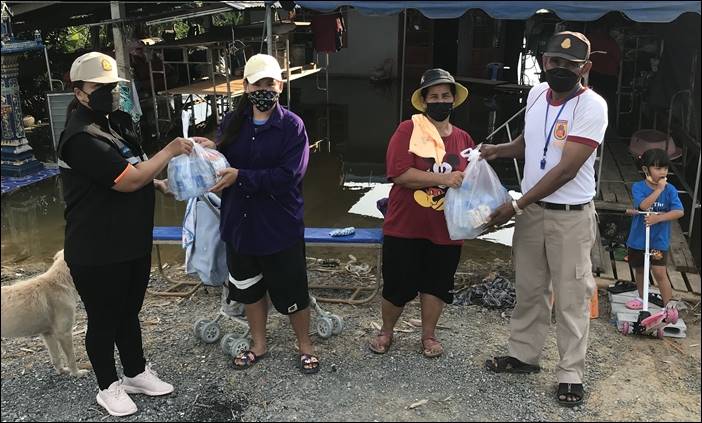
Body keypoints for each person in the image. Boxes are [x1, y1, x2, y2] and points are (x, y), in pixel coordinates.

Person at [58, 52, 194, 417]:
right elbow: (128, 180)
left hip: (131, 241)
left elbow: (137, 167)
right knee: (104, 317)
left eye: (113, 87)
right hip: (96, 248)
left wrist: (161, 183)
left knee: (128, 311)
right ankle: (107, 385)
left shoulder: (115, 123)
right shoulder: (80, 137)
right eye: (100, 88)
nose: (110, 93)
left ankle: (135, 372)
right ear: (79, 92)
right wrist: (170, 150)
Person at [480, 32, 607, 407]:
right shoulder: (537, 94)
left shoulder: (592, 106)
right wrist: (495, 151)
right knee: (530, 289)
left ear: (585, 68)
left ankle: (571, 373)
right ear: (544, 61)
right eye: (554, 62)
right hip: (532, 214)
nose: (561, 70)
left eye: (571, 65)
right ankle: (523, 356)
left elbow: (567, 169)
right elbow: (527, 143)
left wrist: (516, 205)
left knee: (571, 297)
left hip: (570, 216)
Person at [196, 54, 318, 374]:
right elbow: (220, 162)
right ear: (246, 87)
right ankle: (259, 343)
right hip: (241, 225)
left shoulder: (292, 126)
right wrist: (206, 149)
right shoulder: (233, 123)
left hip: (280, 227)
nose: (264, 89)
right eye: (257, 83)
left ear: (280, 85)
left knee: (293, 291)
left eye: (270, 83)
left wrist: (242, 177)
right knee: (249, 289)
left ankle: (305, 345)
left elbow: (289, 175)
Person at [368, 68, 475, 358]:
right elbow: (399, 173)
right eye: (434, 97)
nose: (440, 101)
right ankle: (386, 331)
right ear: (424, 101)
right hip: (406, 225)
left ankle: (428, 336)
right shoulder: (408, 130)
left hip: (446, 230)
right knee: (397, 284)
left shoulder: (464, 140)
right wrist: (443, 179)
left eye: (445, 96)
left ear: (454, 100)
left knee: (437, 285)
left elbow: (470, 181)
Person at [624, 148, 684, 312]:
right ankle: (641, 297)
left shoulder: (670, 190)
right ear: (646, 169)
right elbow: (643, 205)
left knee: (659, 272)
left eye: (665, 168)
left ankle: (668, 306)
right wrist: (658, 190)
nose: (663, 172)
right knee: (640, 270)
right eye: (658, 168)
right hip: (638, 240)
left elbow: (679, 211)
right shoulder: (638, 187)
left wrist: (659, 218)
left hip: (658, 241)